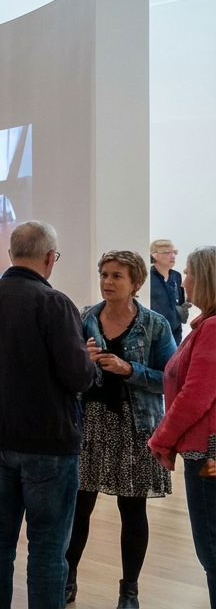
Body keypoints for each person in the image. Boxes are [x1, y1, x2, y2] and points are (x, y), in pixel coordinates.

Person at [0, 220, 95, 608]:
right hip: (49, 445)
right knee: (47, 547)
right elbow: (78, 377)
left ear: (11, 254)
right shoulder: (55, 303)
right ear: (51, 258)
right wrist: (88, 360)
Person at [64, 250, 176, 607]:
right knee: (78, 509)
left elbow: (170, 380)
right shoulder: (84, 319)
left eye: (117, 276)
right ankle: (68, 578)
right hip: (89, 425)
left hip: (135, 427)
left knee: (132, 511)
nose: (108, 282)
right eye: (104, 274)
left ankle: (129, 589)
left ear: (136, 283)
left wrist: (130, 370)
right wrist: (84, 358)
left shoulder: (154, 324)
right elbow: (66, 373)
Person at [148, 246, 216, 607]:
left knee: (212, 551)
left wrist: (161, 439)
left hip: (208, 452)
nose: (183, 279)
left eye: (189, 272)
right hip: (206, 448)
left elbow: (195, 396)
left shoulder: (213, 327)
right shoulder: (206, 325)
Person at [150, 239, 187, 345]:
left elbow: (180, 302)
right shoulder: (148, 278)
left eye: (174, 252)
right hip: (156, 334)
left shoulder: (176, 276)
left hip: (175, 331)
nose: (173, 256)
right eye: (167, 252)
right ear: (155, 255)